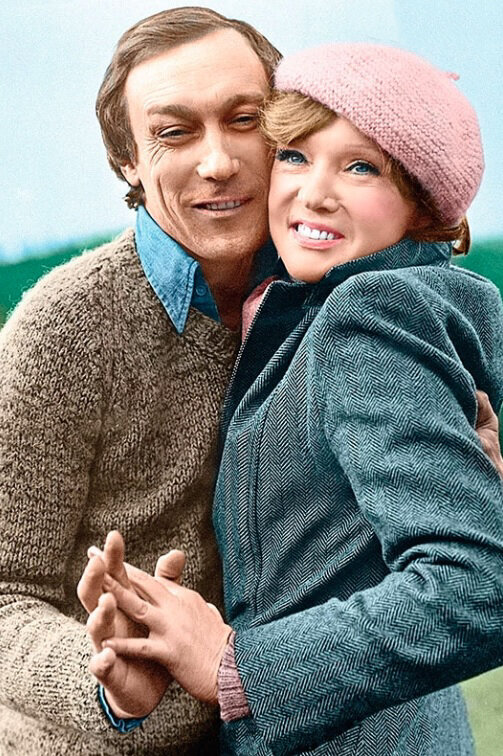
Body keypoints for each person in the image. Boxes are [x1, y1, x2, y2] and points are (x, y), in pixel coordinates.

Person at [85, 44, 503, 755]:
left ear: (423, 205)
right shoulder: (319, 313)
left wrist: (235, 666)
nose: (313, 193)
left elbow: (477, 583)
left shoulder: (367, 317)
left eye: (361, 167)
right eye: (294, 155)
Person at [0, 7, 282, 754]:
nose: (217, 161)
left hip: (280, 721)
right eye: (174, 132)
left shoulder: (338, 303)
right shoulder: (62, 330)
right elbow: (6, 591)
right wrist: (102, 678)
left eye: (244, 119)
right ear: (127, 159)